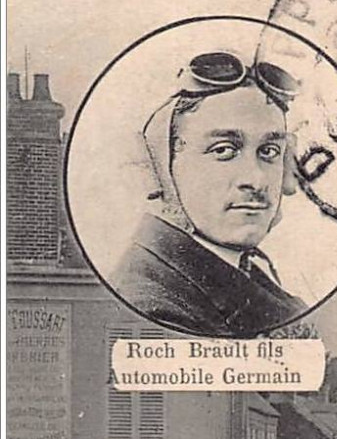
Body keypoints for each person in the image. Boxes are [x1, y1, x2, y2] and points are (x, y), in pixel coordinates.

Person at [113, 50, 308, 337]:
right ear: (161, 169)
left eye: (269, 152)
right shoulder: (156, 307)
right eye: (223, 150)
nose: (255, 180)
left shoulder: (252, 280)